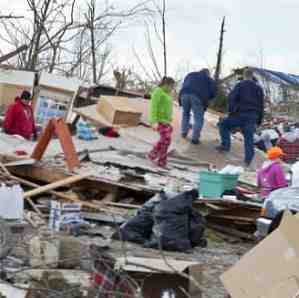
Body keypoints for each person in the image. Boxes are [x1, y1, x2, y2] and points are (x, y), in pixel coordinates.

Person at [217, 68, 264, 167]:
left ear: (244, 76)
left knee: (223, 124)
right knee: (249, 138)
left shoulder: (239, 85)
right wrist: (258, 121)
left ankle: (225, 145)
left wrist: (232, 112)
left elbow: (231, 99)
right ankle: (248, 161)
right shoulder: (258, 88)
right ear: (252, 76)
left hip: (239, 114)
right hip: (252, 117)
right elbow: (261, 106)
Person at [179, 68, 216, 144]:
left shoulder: (190, 74)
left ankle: (184, 132)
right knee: (198, 118)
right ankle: (195, 139)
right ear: (208, 73)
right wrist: (208, 98)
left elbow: (183, 85)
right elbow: (213, 92)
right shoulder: (208, 79)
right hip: (198, 97)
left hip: (184, 94)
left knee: (185, 113)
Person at [148, 76, 176, 168]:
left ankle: (152, 154)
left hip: (166, 122)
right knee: (166, 140)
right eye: (171, 86)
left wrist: (169, 120)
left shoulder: (167, 94)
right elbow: (153, 106)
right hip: (159, 121)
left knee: (164, 140)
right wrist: (153, 121)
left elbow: (167, 107)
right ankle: (162, 161)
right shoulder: (158, 91)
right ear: (166, 84)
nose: (172, 89)